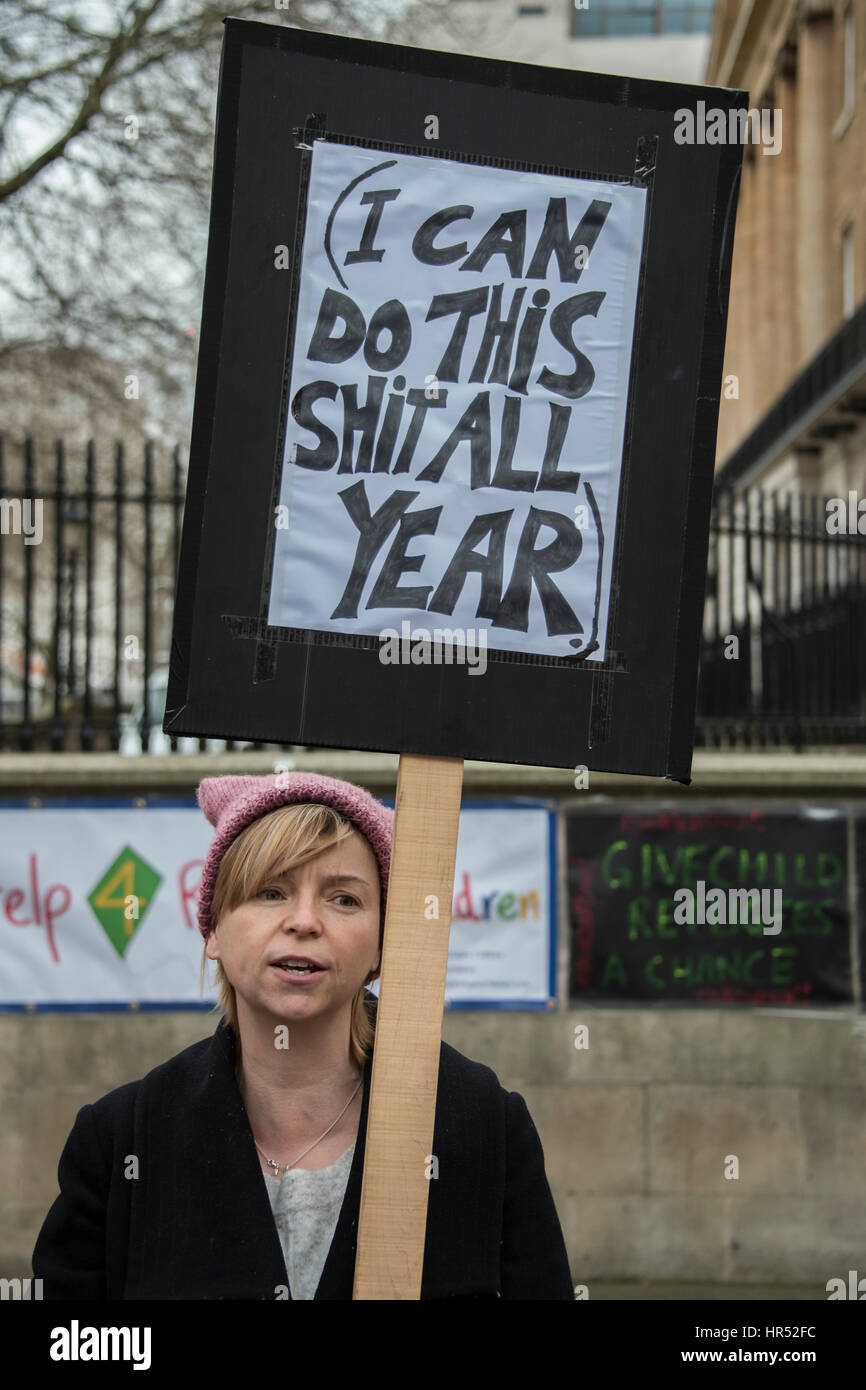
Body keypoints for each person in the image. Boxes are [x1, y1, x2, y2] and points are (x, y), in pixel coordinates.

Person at [32, 771, 574, 1299]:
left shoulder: (485, 1127)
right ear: (214, 928)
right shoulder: (118, 1141)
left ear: (382, 946)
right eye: (271, 892)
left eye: (344, 899)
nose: (305, 921)